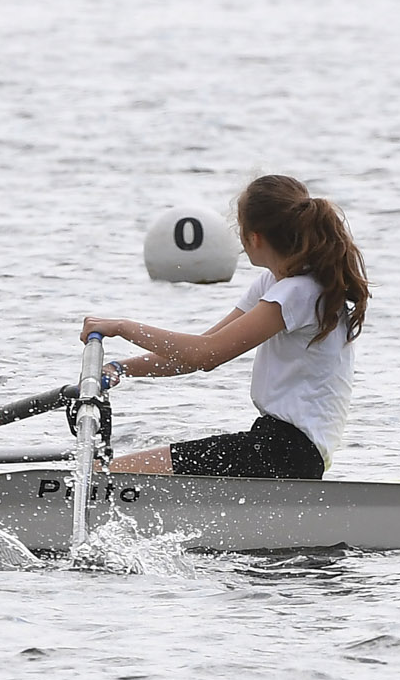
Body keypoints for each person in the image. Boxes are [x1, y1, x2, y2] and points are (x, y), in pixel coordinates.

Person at [78, 175, 367, 479]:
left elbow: (206, 355)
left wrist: (123, 327)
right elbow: (196, 352)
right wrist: (120, 368)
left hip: (286, 452)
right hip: (275, 446)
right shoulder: (274, 283)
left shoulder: (297, 293)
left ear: (252, 237)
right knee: (112, 471)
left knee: (106, 473)